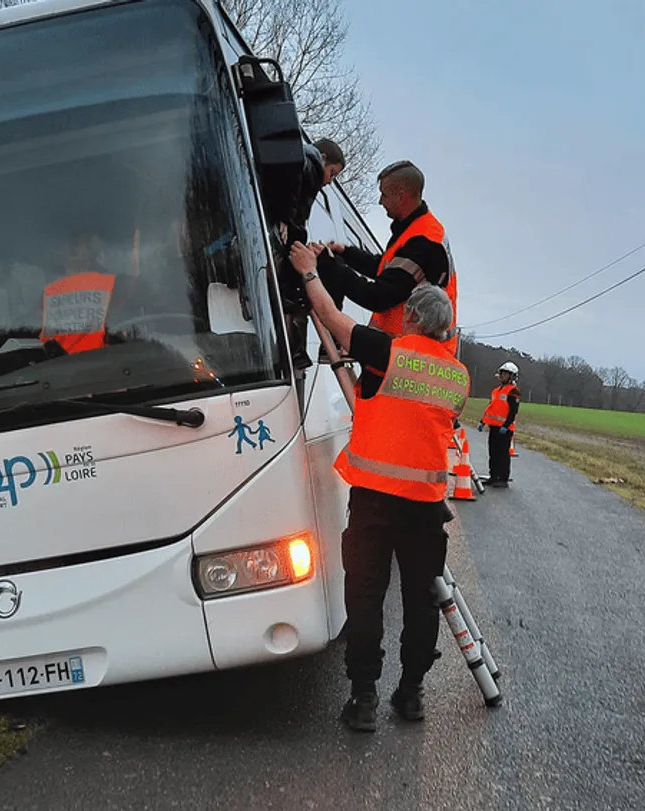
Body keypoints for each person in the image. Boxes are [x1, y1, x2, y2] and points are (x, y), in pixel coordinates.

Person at [291, 241, 469, 732]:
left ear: (410, 317)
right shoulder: (458, 376)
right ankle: (411, 695)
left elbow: (328, 315)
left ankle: (363, 699)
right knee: (420, 600)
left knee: (365, 597)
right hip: (426, 509)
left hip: (373, 504)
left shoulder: (386, 350)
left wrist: (309, 271)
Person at [315, 159, 458, 387]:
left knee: (378, 419)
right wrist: (347, 253)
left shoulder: (423, 243)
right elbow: (385, 269)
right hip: (405, 353)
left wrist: (330, 267)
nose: (380, 201)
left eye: (384, 194)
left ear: (401, 196)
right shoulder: (416, 230)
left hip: (411, 360)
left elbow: (379, 296)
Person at [275, 139, 346, 370]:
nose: (329, 181)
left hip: (291, 244)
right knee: (309, 290)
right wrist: (283, 216)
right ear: (323, 157)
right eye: (332, 173)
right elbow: (289, 180)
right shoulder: (310, 162)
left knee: (295, 298)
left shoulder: (307, 167)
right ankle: (329, 340)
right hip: (288, 246)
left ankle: (296, 352)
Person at [39, 232, 139, 355]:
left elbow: (127, 320)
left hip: (102, 363)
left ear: (92, 254)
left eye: (77, 244)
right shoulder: (49, 292)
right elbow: (33, 326)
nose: (71, 248)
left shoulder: (114, 286)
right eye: (71, 244)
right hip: (56, 367)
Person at [478, 361, 521, 488]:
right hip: (494, 427)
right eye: (502, 373)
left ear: (512, 376)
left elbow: (513, 411)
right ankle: (493, 476)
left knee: (503, 454)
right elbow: (491, 408)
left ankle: (503, 478)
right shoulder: (496, 391)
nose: (502, 375)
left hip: (505, 429)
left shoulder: (514, 391)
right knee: (493, 453)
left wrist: (506, 426)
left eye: (505, 373)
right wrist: (483, 421)